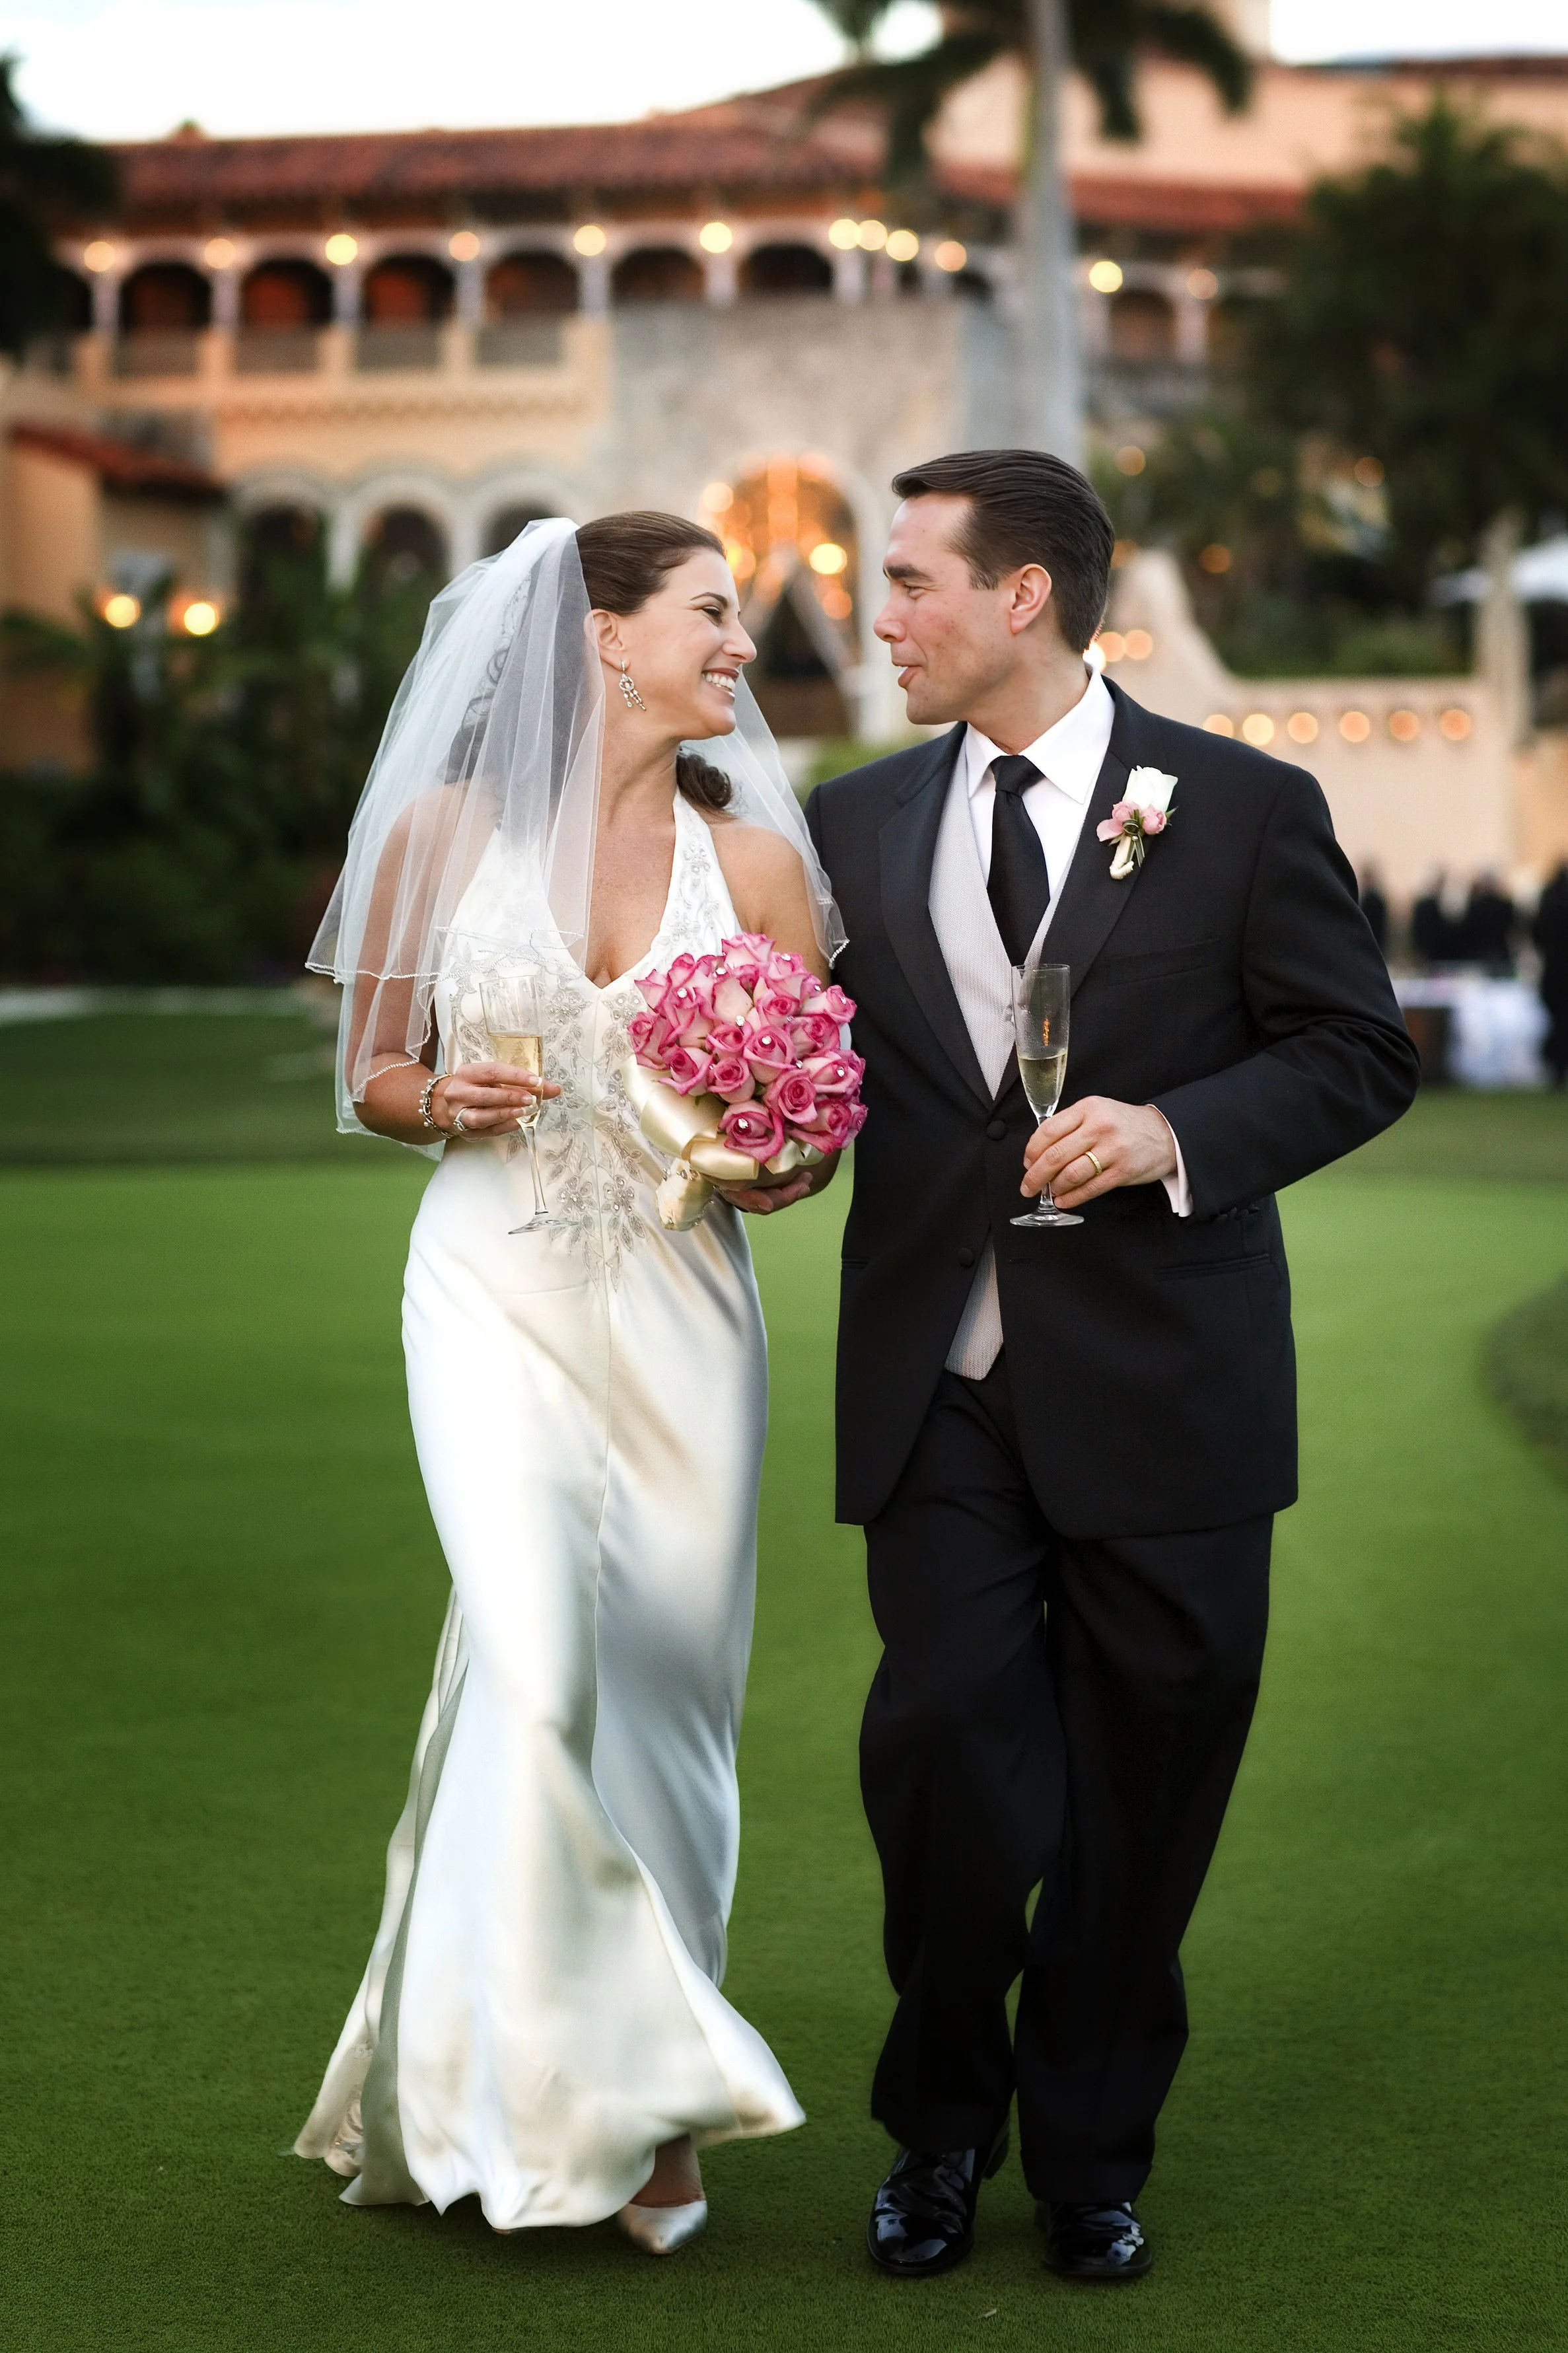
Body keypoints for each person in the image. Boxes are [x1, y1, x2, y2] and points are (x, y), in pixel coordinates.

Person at [804, 449, 1419, 2288]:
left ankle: (1084, 2152)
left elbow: (1350, 1048)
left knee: (1144, 1792)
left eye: (909, 578)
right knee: (944, 1768)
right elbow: (813, 1077)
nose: (875, 613)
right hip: (941, 1388)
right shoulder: (844, 827)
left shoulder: (1234, 808)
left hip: (1169, 1386)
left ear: (1020, 596)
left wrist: (1170, 1134)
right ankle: (933, 2128)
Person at [293, 513, 840, 2251]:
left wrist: (778, 1161)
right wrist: (429, 1100)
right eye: (709, 613)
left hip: (687, 1312)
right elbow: (372, 1071)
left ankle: (528, 2074)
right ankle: (648, 2103)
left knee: (668, 1690)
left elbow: (809, 1131)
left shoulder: (753, 866)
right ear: (601, 634)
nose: (740, 646)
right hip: (491, 1279)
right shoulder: (448, 835)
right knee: (534, 1667)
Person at [1535, 861, 1568, 1085]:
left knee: (1556, 1021)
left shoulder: (1548, 899)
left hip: (1553, 971)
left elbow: (1537, 933)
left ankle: (1556, 1066)